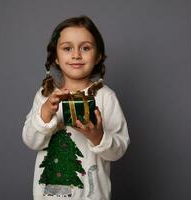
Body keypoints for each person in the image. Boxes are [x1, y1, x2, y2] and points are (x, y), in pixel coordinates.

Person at [22, 15, 130, 200]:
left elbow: (118, 151)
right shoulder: (45, 96)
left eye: (85, 48)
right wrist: (45, 114)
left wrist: (98, 137)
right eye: (67, 48)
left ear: (98, 56)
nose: (76, 55)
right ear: (55, 56)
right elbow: (31, 141)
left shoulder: (105, 97)